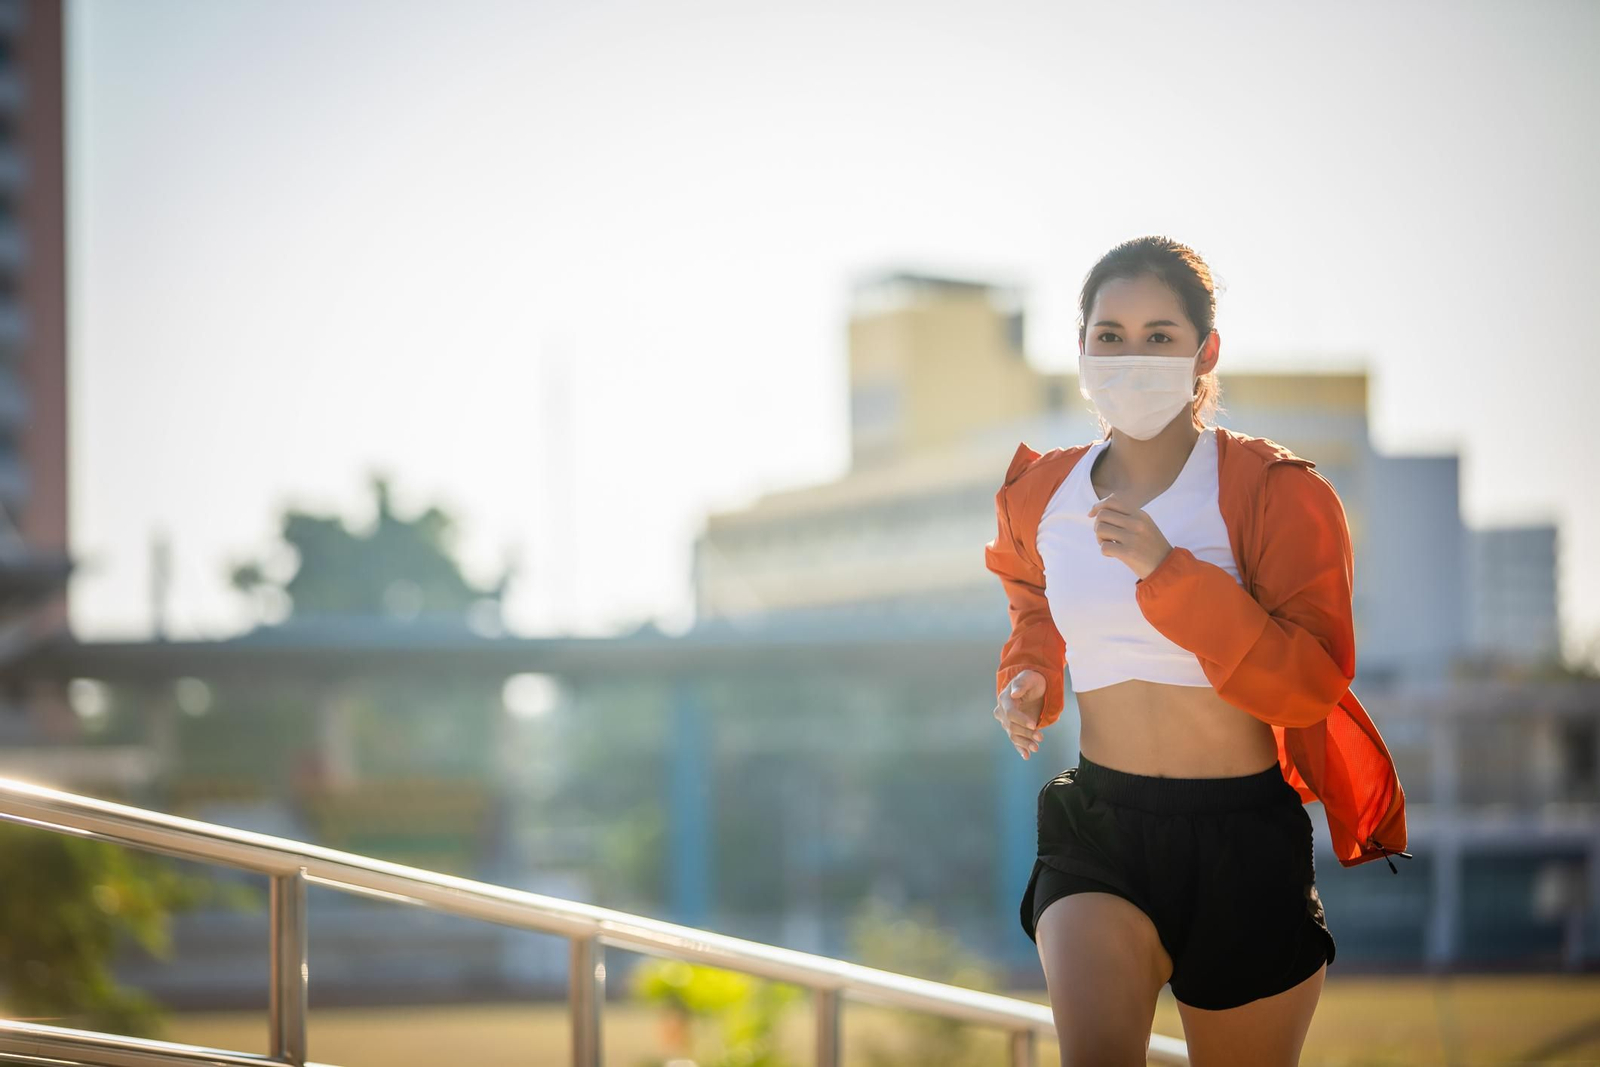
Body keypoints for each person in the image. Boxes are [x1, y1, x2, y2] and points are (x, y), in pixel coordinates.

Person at [983, 235, 1410, 1067]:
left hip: (1241, 839)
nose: (1131, 355)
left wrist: (1168, 571)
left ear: (1204, 350)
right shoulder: (1043, 496)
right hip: (1097, 828)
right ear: (1080, 349)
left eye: (1159, 335)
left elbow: (1308, 683)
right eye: (1110, 335)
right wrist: (1030, 673)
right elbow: (1033, 595)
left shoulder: (1276, 492)